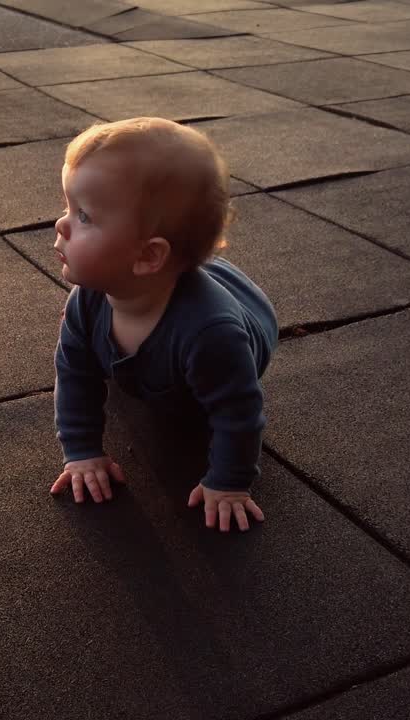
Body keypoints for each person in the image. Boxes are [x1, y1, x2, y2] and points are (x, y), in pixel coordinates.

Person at [48, 117, 278, 533]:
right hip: (150, 305)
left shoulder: (211, 334)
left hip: (234, 325)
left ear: (148, 256)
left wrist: (229, 483)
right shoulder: (87, 298)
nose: (61, 225)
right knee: (79, 343)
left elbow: (238, 415)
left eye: (83, 216)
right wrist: (81, 450)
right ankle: (112, 348)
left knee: (208, 383)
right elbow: (73, 374)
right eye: (67, 207)